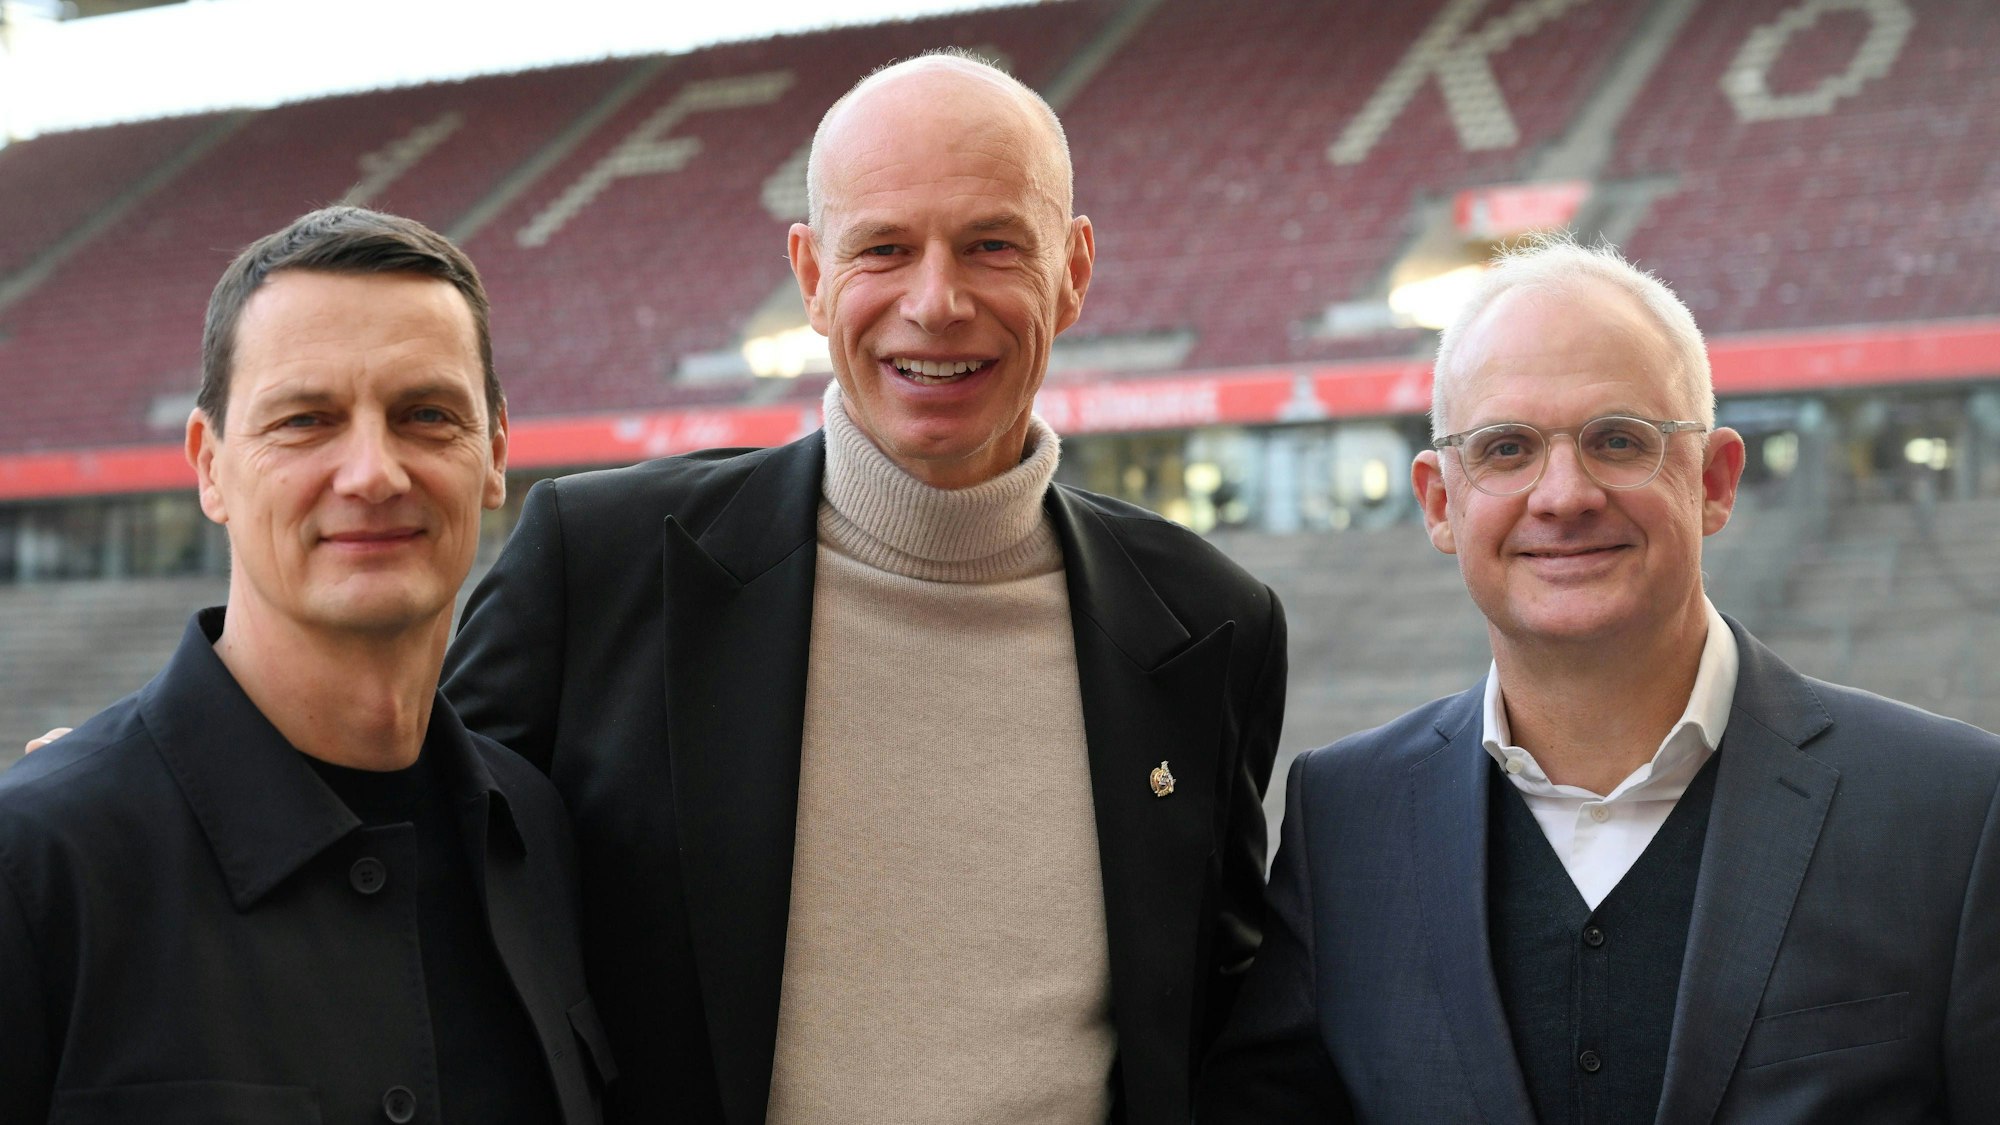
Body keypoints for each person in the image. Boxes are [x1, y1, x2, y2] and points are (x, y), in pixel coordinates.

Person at [442, 52, 1286, 1124]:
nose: (935, 304)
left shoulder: (1210, 621)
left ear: (1072, 273)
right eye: (883, 249)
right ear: (809, 276)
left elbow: (1220, 1024)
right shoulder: (594, 568)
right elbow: (440, 935)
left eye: (990, 245)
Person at [1198, 236, 2000, 1123]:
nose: (1565, 494)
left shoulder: (1954, 813)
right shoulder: (1344, 820)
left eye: (1619, 440)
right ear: (1438, 503)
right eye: (1506, 449)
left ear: (1715, 481)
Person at [0, 207, 614, 1124]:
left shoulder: (540, 835)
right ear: (210, 466)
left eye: (426, 415)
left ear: (494, 453)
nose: (372, 473)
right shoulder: (36, 867)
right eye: (305, 420)